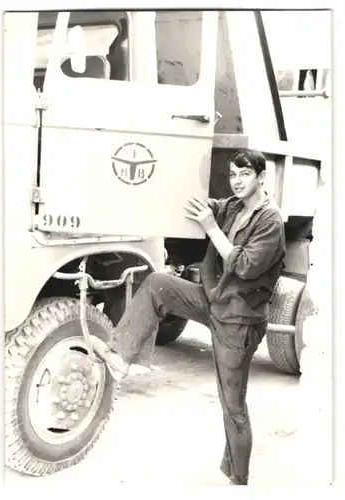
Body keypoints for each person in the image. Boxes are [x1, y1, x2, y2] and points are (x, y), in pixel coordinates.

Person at [91, 148, 286, 486]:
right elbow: (211, 206)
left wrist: (211, 228)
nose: (237, 182)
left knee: (233, 407)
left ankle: (239, 480)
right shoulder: (235, 206)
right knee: (157, 285)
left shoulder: (271, 220)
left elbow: (243, 266)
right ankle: (121, 357)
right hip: (213, 300)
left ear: (261, 177)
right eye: (233, 175)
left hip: (239, 319)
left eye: (245, 175)